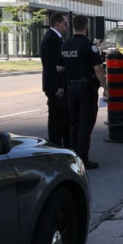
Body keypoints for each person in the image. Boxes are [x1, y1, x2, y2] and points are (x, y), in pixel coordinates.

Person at [57, 15, 107, 169]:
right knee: (85, 123)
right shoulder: (89, 46)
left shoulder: (65, 45)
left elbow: (59, 68)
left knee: (74, 124)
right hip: (86, 89)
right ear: (86, 27)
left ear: (73, 26)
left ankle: (73, 158)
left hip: (71, 88)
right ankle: (83, 159)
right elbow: (98, 69)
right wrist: (106, 87)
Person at [40, 12, 70, 147]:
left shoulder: (56, 38)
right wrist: (59, 86)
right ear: (57, 23)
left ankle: (65, 146)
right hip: (55, 86)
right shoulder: (51, 39)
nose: (67, 26)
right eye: (65, 23)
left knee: (64, 118)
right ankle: (55, 148)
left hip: (58, 84)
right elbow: (51, 66)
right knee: (56, 120)